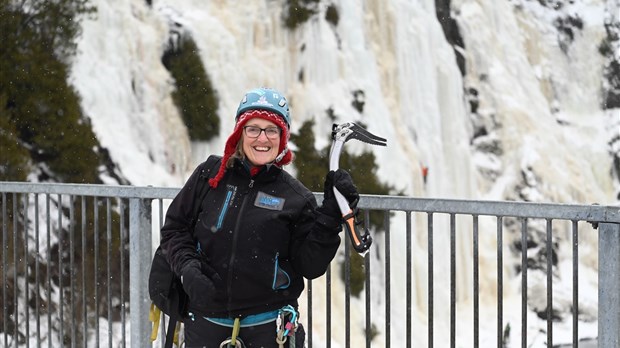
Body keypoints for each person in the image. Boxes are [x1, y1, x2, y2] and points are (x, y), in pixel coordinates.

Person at [160, 87, 360, 348]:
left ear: (282, 136)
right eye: (252, 128)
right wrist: (188, 269)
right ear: (240, 133)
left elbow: (310, 266)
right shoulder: (209, 175)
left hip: (268, 331)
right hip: (206, 325)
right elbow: (175, 228)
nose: (261, 138)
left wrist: (330, 217)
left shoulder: (296, 198)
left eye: (271, 129)